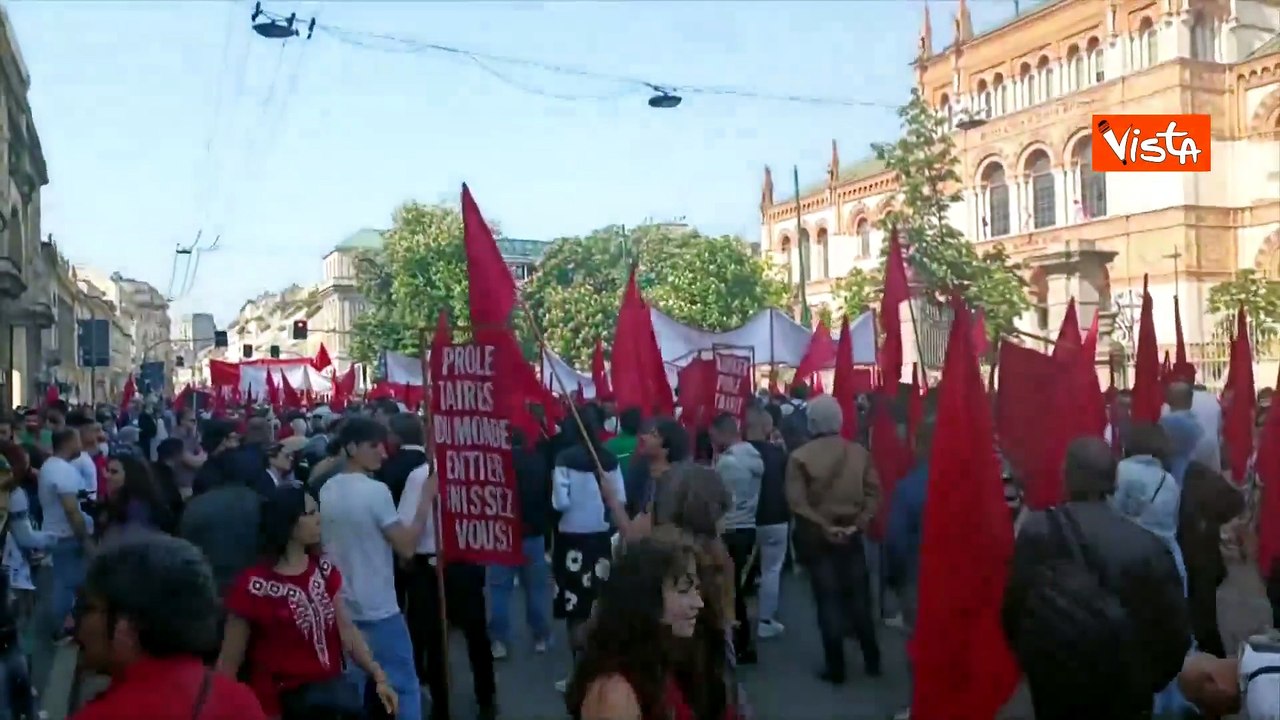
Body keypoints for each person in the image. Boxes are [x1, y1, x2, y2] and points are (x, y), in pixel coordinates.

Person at [1002, 437, 1191, 720]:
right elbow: (1174, 636)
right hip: (1124, 693)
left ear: (1066, 477)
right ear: (1114, 482)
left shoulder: (1038, 531)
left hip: (1056, 685)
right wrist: (1142, 684)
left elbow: (1013, 611)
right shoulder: (1148, 545)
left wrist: (1040, 668)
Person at [218, 485, 396, 720]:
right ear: (289, 523)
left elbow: (346, 631)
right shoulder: (253, 586)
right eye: (309, 513)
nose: (318, 519)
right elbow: (229, 662)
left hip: (328, 703)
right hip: (276, 708)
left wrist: (377, 674)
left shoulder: (323, 571)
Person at [69, 533, 266, 719]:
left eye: (88, 608)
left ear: (127, 624)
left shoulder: (106, 714)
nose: (74, 623)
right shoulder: (240, 702)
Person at [319, 418, 433, 720]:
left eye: (384, 446)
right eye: (374, 446)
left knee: (354, 693)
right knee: (404, 686)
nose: (382, 453)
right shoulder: (375, 491)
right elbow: (406, 546)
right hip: (379, 608)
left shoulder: (327, 489)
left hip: (342, 607)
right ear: (352, 448)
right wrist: (425, 501)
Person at [567, 533, 733, 720]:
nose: (698, 603)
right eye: (683, 590)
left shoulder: (672, 656)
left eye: (696, 589)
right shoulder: (614, 693)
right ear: (645, 598)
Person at [784, 395, 882, 683]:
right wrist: (858, 525)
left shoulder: (799, 457)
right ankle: (872, 659)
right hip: (852, 534)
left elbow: (796, 502)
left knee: (827, 600)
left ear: (812, 422)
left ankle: (836, 667)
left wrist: (823, 525)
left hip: (817, 537)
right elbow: (875, 494)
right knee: (859, 599)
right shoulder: (859, 453)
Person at [550, 413, 624, 693]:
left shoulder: (563, 460)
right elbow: (620, 499)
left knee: (574, 609)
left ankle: (578, 675)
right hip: (601, 538)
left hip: (571, 541)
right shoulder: (609, 459)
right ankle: (602, 670)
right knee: (599, 603)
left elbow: (560, 502)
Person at [488, 428, 553, 658]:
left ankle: (499, 640)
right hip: (533, 533)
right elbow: (548, 497)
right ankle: (540, 635)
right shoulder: (538, 461)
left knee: (499, 590)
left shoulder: (494, 463)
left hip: (501, 534)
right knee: (535, 589)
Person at [709, 412, 762, 665]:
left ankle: (739, 644)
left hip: (730, 529)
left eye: (713, 436)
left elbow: (716, 497)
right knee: (739, 590)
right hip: (748, 526)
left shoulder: (727, 463)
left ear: (722, 433)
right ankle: (744, 643)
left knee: (730, 591)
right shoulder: (753, 455)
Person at [37, 427, 91, 641]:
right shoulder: (61, 471)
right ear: (69, 442)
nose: (81, 444)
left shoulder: (52, 466)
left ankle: (65, 624)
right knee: (65, 583)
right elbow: (71, 509)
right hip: (65, 535)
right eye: (77, 440)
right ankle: (60, 629)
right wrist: (84, 537)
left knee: (67, 581)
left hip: (56, 532)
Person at [745, 406, 789, 641]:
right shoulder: (778, 454)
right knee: (772, 570)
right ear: (767, 428)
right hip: (776, 517)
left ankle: (737, 619)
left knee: (740, 570)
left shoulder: (736, 453)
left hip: (744, 521)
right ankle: (765, 619)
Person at [102, 454, 175, 537]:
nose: (107, 476)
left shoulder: (137, 508)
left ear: (131, 476)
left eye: (114, 472)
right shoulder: (115, 504)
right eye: (107, 471)